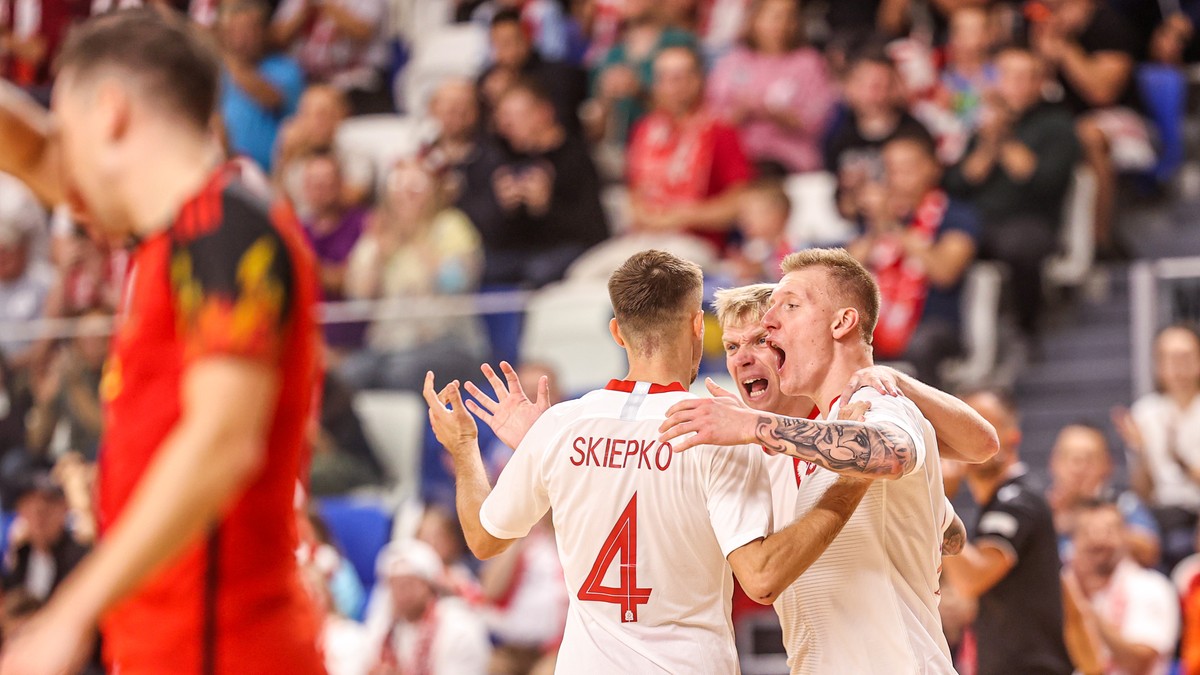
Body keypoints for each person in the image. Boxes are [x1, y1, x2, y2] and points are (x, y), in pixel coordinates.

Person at [0, 10, 325, 674]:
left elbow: (222, 441)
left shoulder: (225, 222)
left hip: (226, 652)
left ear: (111, 112)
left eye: (67, 127)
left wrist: (68, 612)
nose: (58, 155)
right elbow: (30, 151)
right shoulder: (172, 231)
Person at [425, 250, 872, 672]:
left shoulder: (560, 426)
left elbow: (483, 541)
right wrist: (850, 484)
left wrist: (465, 448)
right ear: (699, 327)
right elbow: (761, 576)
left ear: (617, 332)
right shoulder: (716, 428)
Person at [658, 248, 960, 673]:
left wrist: (753, 427)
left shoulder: (872, 401)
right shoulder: (781, 449)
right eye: (732, 346)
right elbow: (947, 530)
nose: (766, 332)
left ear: (841, 323)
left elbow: (893, 454)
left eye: (769, 332)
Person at [943, 47, 1079, 339]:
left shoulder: (1057, 124)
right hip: (978, 221)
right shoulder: (981, 126)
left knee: (1020, 245)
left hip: (1031, 220)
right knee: (942, 243)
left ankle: (1027, 328)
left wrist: (1003, 138)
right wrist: (987, 144)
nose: (1014, 85)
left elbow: (1045, 181)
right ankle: (951, 335)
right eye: (1006, 76)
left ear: (1040, 82)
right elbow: (957, 183)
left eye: (1024, 77)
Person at [942, 390, 1073, 675]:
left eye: (984, 424)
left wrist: (935, 498)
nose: (972, 435)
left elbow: (970, 578)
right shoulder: (1000, 504)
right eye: (964, 426)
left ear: (1013, 436)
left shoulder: (1018, 500)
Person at [340, 160, 488, 392]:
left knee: (402, 374)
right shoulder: (378, 235)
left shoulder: (450, 225)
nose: (406, 196)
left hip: (448, 343)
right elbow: (359, 298)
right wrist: (379, 253)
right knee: (348, 376)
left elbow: (456, 283)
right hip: (387, 346)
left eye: (415, 188)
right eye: (399, 189)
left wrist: (420, 242)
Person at [847, 134, 980, 387]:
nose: (898, 177)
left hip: (936, 324)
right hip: (881, 324)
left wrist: (894, 227)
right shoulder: (876, 222)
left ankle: (933, 423)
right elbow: (845, 274)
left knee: (922, 344)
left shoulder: (956, 215)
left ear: (933, 167)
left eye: (908, 167)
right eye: (891, 170)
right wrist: (877, 226)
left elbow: (944, 272)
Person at [1030, 0, 1154, 256]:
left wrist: (1065, 50)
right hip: (1059, 122)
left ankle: (1101, 241)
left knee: (1088, 135)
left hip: (1119, 120)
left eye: (1062, 7)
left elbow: (1102, 92)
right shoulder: (1038, 28)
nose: (1055, 12)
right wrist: (1042, 56)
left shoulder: (1109, 25)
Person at [475, 80, 608, 288]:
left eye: (515, 117)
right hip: (525, 251)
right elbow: (494, 235)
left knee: (538, 271)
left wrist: (545, 206)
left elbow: (594, 231)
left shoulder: (575, 158)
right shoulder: (505, 158)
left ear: (543, 113)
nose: (506, 126)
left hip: (569, 248)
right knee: (482, 269)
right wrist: (504, 208)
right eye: (503, 118)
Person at [627, 45, 755, 253]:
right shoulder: (644, 129)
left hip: (695, 242)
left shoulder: (721, 131)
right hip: (643, 236)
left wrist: (682, 216)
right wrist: (644, 215)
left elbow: (739, 202)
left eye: (678, 78)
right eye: (663, 78)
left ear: (697, 81)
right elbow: (633, 191)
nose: (670, 86)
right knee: (583, 274)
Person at [705, 0, 837, 174]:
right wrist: (741, 112)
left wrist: (776, 114)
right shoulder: (733, 60)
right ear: (754, 19)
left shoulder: (809, 62)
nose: (781, 23)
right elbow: (712, 117)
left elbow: (820, 121)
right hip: (739, 157)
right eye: (774, 16)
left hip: (791, 160)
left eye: (789, 17)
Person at [1114, 323, 1200, 572]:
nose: (1178, 366)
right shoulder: (1145, 412)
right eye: (1169, 358)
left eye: (1185, 357)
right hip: (1160, 515)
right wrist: (1141, 453)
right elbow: (1143, 492)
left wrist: (1180, 459)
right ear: (1158, 365)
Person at [1063, 500, 1180, 675]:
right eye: (1087, 532)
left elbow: (1138, 663)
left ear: (1125, 537)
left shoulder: (1151, 587)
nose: (1098, 540)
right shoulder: (1058, 587)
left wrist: (1084, 610)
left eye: (1108, 531)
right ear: (1073, 541)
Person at [824, 50, 934, 221]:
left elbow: (931, 191)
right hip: (857, 231)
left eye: (885, 85)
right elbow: (836, 199)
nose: (878, 95)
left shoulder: (914, 132)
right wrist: (851, 199)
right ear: (850, 87)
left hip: (914, 225)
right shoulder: (838, 133)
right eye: (870, 86)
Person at [1047, 423, 1163, 569]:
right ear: (1053, 462)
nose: (1078, 468)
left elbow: (1149, 549)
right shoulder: (1038, 509)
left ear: (1108, 465)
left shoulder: (1124, 503)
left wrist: (1088, 525)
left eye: (1089, 459)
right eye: (1070, 458)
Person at [369, 539, 492, 674]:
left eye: (409, 584)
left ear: (430, 586)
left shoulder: (459, 626)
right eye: (395, 585)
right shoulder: (385, 627)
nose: (401, 592)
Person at [586, 0, 698, 147]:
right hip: (619, 149)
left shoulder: (677, 41)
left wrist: (638, 89)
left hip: (668, 146)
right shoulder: (614, 53)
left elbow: (690, 101)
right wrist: (604, 101)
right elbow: (593, 126)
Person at [218, 0, 306, 172]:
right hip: (224, 172)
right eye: (234, 31)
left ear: (265, 31)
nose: (241, 38)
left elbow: (271, 98)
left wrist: (227, 58)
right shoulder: (217, 71)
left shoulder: (286, 68)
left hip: (271, 174)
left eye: (249, 30)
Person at [268, 0, 390, 114]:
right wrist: (303, 13)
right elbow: (276, 39)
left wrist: (325, 5)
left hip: (358, 85)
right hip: (308, 83)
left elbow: (363, 31)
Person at [479, 9, 587, 134]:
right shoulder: (487, 80)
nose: (502, 51)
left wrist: (511, 91)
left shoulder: (558, 74)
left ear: (527, 39)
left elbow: (562, 124)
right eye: (496, 44)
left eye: (508, 42)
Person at [2, 472, 89, 602]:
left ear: (64, 507)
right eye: (29, 505)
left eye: (48, 503)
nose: (38, 516)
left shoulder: (82, 560)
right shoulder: (18, 559)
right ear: (20, 511)